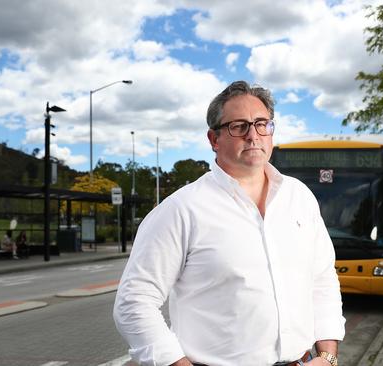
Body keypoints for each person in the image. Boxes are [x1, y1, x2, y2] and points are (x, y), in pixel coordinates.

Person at [114, 81, 345, 366]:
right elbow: (134, 302)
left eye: (262, 124)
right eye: (239, 126)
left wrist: (329, 356)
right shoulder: (181, 210)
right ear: (214, 139)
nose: (253, 135)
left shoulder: (299, 198)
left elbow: (322, 279)